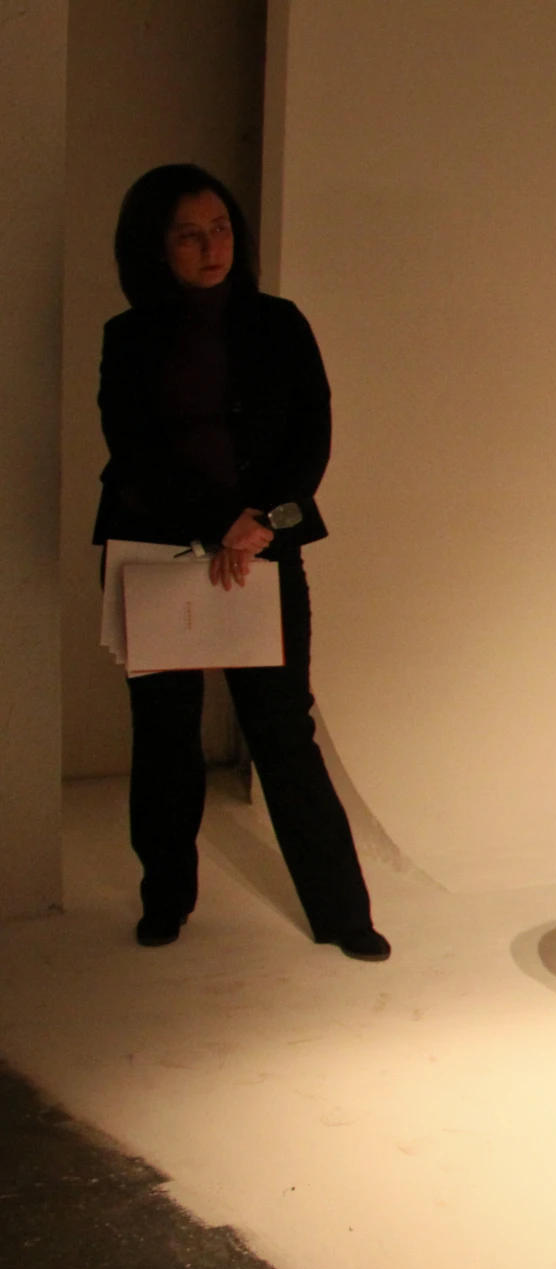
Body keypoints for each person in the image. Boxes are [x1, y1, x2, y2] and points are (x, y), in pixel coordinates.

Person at [95, 164, 386, 959]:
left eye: (220, 227)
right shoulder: (129, 337)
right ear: (155, 247)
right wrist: (217, 521)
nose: (210, 245)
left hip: (264, 547)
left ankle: (342, 912)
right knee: (163, 734)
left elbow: (311, 432)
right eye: (189, 233)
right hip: (157, 550)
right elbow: (135, 450)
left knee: (283, 729)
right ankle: (165, 901)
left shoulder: (279, 322)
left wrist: (259, 524)